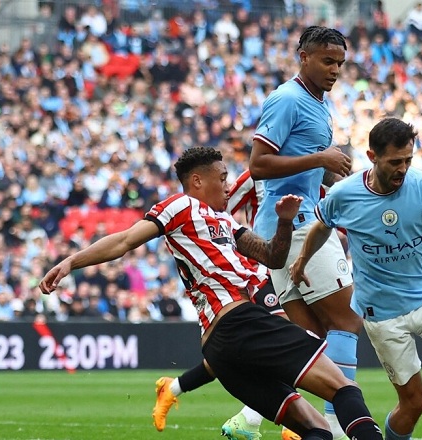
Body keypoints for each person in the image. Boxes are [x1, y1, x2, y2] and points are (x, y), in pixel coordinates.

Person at [40, 147, 383, 440]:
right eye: (221, 177)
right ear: (197, 181)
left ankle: (180, 390)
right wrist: (72, 261)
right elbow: (125, 240)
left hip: (220, 350)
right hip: (239, 321)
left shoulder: (228, 224)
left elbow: (272, 257)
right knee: (344, 389)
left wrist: (283, 223)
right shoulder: (180, 206)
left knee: (316, 430)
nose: (226, 183)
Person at [290, 118, 422, 440]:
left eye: (408, 160)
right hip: (382, 315)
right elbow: (321, 226)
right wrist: (302, 261)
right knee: (415, 402)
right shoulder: (344, 194)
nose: (403, 168)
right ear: (372, 156)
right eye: (395, 162)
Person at [249, 25, 361, 440]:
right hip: (296, 228)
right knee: (347, 320)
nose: (335, 70)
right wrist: (322, 157)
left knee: (308, 339)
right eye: (327, 61)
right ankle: (339, 424)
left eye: (340, 64)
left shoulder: (317, 103)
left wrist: (329, 183)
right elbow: (259, 164)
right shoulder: (287, 100)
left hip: (288, 226)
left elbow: (302, 171)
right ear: (304, 57)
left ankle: (271, 420)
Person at [152, 168, 322, 439]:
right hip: (252, 270)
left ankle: (173, 389)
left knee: (249, 352)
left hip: (289, 262)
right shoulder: (257, 175)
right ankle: (270, 422)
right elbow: (214, 211)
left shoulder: (311, 175)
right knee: (284, 335)